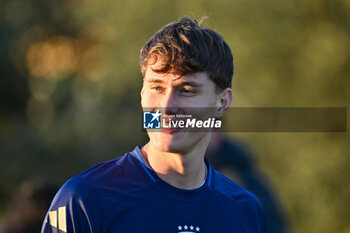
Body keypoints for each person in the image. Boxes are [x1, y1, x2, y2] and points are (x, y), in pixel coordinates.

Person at [41, 17, 267, 233]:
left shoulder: (246, 211)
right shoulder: (84, 199)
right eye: (156, 88)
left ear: (223, 102)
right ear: (142, 95)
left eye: (187, 91)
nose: (166, 106)